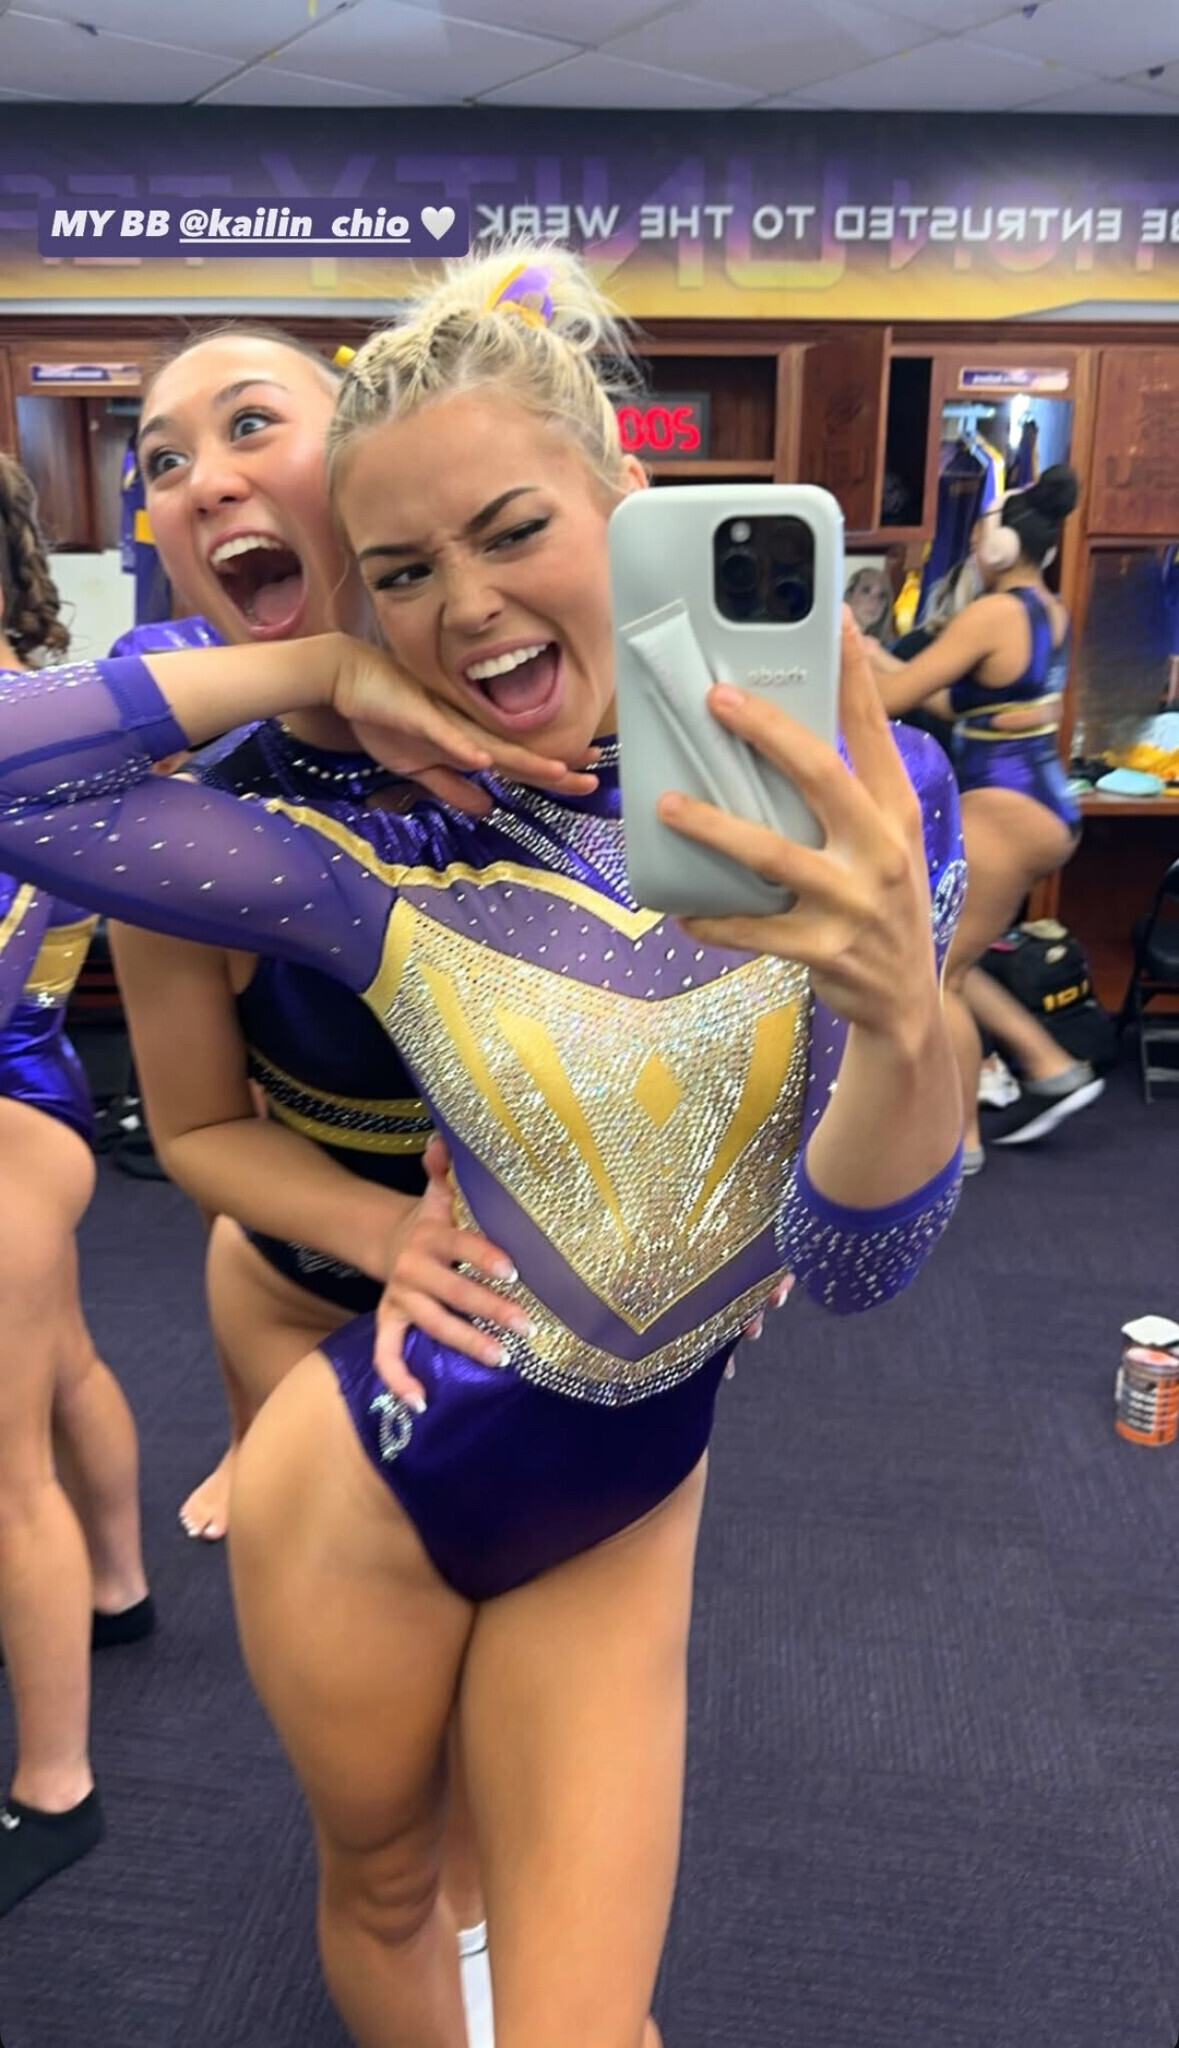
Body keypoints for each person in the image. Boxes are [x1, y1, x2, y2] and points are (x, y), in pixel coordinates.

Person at [0, 243, 964, 2047]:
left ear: (622, 505)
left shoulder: (865, 794)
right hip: (369, 1461)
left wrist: (907, 1014)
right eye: (403, 573)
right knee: (388, 1888)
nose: (465, 604)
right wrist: (320, 664)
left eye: (514, 530)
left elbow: (848, 1270)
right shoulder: (370, 856)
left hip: (631, 1477)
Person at [105, 328, 436, 1549]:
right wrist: (323, 669)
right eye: (164, 460)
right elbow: (197, 1128)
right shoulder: (178, 825)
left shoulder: (543, 751)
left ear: (365, 460)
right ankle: (248, 1435)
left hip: (547, 1310)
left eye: (251, 424)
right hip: (292, 1294)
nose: (204, 480)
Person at [0, 454, 152, 1918]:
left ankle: (54, 1783)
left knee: (4, 1470)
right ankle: (119, 1586)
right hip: (44, 1097)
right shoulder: (56, 709)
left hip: (10, 1120)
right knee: (60, 1368)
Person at [868, 466, 1103, 1171]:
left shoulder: (991, 614)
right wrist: (876, 656)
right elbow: (959, 704)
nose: (971, 551)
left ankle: (959, 1139)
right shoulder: (1046, 612)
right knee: (955, 962)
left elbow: (893, 701)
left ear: (1001, 547)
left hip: (1005, 812)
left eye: (976, 540)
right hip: (1041, 808)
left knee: (935, 973)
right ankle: (1050, 1064)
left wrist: (852, 661)